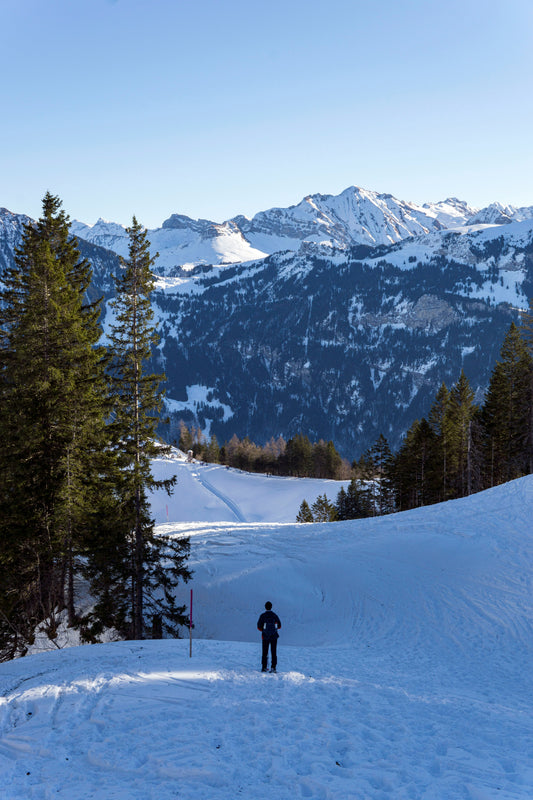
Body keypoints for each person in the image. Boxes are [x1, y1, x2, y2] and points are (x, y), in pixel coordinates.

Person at [257, 601, 281, 672]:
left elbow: (258, 627)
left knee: (265, 652)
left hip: (265, 636)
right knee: (273, 652)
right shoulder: (274, 615)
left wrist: (264, 631)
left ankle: (264, 667)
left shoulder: (262, 616)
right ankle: (273, 667)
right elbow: (279, 626)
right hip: (274, 636)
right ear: (271, 607)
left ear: (265, 607)